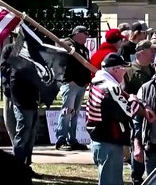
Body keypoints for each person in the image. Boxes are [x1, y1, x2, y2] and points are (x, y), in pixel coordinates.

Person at [87, 53, 156, 185]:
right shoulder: (110, 88)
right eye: (123, 68)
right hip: (109, 140)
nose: (125, 71)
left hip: (100, 138)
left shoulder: (98, 81)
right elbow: (129, 112)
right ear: (115, 70)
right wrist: (134, 100)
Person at [123, 40, 156, 185]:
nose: (153, 54)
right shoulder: (128, 71)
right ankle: (136, 175)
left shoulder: (152, 70)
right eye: (151, 51)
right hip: (135, 114)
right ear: (141, 52)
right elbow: (122, 92)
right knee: (137, 145)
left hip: (149, 117)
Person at [55, 25, 91, 151]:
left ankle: (72, 139)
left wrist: (87, 81)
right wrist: (69, 80)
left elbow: (87, 65)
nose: (87, 36)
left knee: (75, 114)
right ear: (77, 33)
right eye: (85, 33)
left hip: (81, 85)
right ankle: (61, 139)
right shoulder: (67, 44)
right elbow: (61, 61)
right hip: (70, 83)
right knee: (67, 112)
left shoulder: (85, 49)